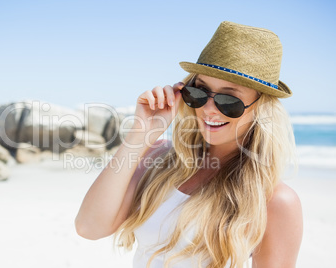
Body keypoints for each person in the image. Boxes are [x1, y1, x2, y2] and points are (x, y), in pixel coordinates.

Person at [75, 21, 303, 268]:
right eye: (199, 92)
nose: (208, 109)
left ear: (261, 109)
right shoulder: (158, 157)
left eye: (229, 100)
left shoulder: (275, 201)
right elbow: (89, 227)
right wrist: (140, 135)